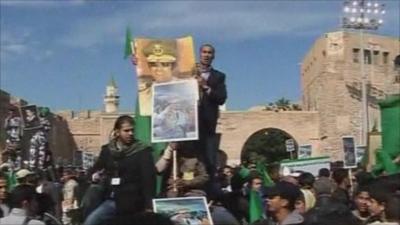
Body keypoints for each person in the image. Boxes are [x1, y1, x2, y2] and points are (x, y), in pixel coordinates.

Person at [84, 115, 156, 225]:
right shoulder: (107, 150)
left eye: (132, 130)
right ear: (117, 132)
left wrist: (149, 206)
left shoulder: (142, 151)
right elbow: (95, 169)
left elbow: (148, 180)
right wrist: (95, 175)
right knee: (91, 221)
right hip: (110, 198)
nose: (130, 133)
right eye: (126, 131)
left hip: (133, 201)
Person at [196, 43, 227, 179]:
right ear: (199, 53)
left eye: (209, 53)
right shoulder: (188, 72)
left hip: (207, 125)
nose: (206, 55)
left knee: (208, 159)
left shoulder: (219, 77)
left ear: (213, 56)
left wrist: (206, 87)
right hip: (189, 122)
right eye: (204, 52)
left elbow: (221, 98)